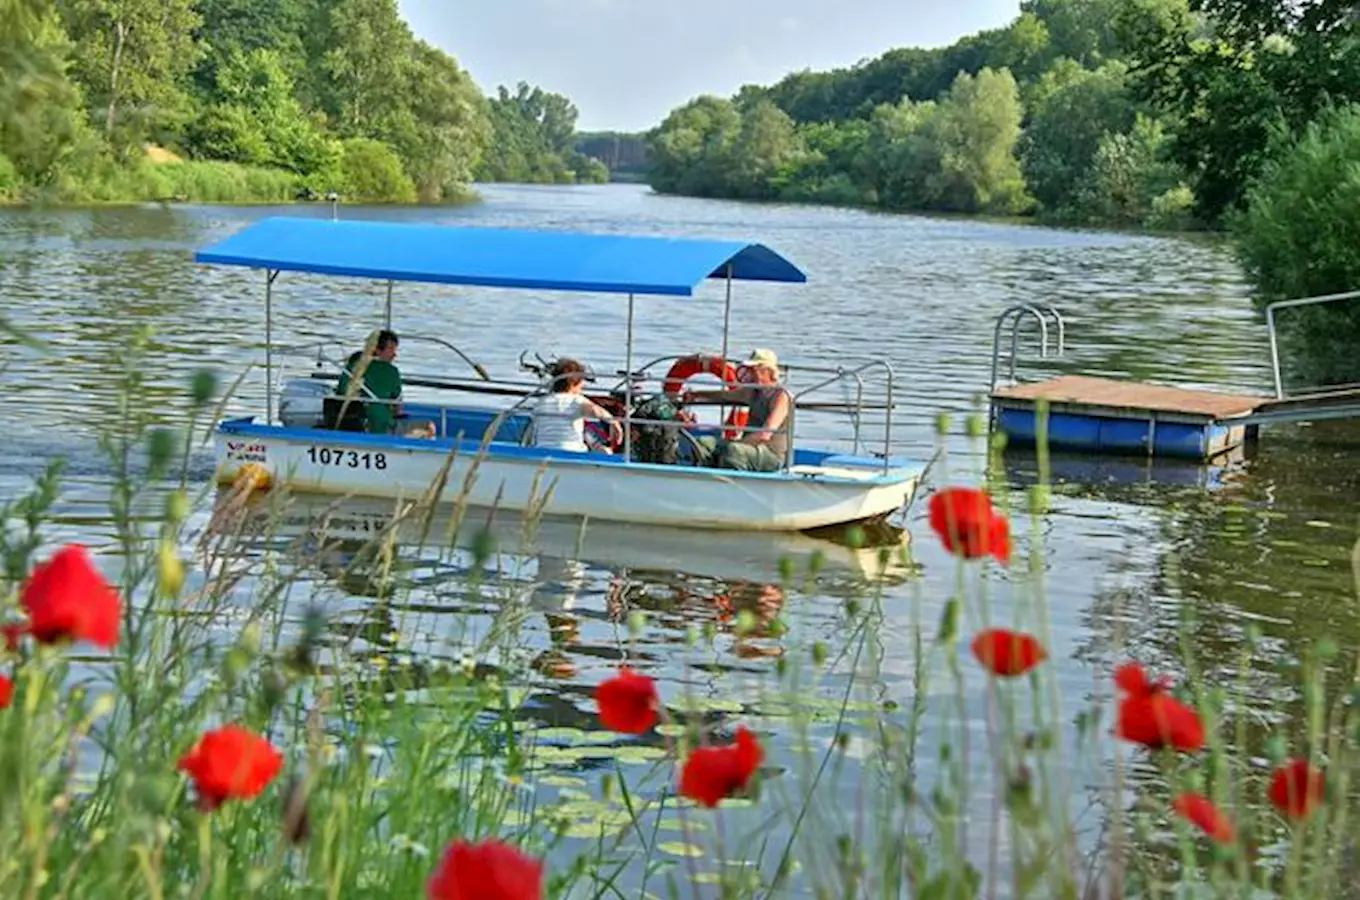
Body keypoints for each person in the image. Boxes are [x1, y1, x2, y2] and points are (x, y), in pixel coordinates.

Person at [684, 348, 791, 472]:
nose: (751, 374)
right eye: (750, 370)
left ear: (768, 371)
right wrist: (698, 394)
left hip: (770, 453)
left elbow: (765, 434)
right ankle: (705, 477)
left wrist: (739, 442)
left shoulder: (781, 396)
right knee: (705, 442)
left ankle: (733, 484)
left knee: (734, 450)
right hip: (748, 446)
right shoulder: (753, 391)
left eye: (755, 370)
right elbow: (726, 395)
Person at [531, 358, 623, 453]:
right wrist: (614, 422)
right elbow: (595, 411)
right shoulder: (576, 401)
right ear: (575, 383)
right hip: (572, 452)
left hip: (542, 451)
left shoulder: (541, 402)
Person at [332, 329, 403, 434]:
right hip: (379, 427)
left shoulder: (352, 365)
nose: (394, 354)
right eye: (391, 349)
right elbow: (397, 405)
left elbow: (340, 391)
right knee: (428, 427)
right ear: (377, 350)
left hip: (344, 423)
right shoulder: (392, 372)